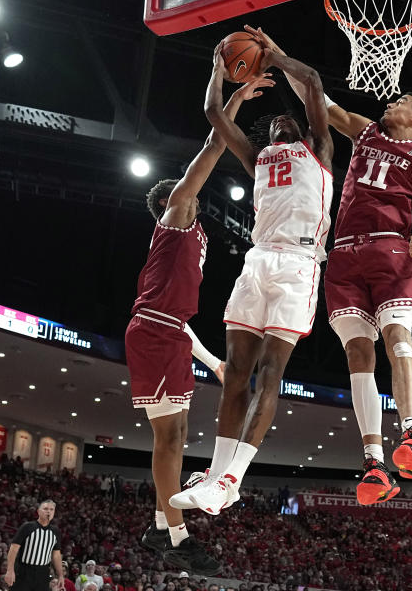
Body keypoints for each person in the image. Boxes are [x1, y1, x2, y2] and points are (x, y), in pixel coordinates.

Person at [242, 25, 412, 502]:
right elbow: (320, 100)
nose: (390, 101)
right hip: (344, 253)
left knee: (397, 339)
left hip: (390, 249)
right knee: (357, 355)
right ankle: (374, 463)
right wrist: (279, 55)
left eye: (400, 101)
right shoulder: (367, 132)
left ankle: (411, 435)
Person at [174, 37, 333, 516]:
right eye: (276, 123)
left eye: (290, 121)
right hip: (258, 260)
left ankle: (231, 477)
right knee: (235, 374)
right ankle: (216, 479)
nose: (283, 123)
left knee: (270, 375)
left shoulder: (320, 150)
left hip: (299, 265)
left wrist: (271, 54)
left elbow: (314, 82)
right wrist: (220, 69)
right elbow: (213, 114)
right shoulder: (256, 157)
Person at [128, 60, 273, 576]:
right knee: (169, 440)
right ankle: (175, 535)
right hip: (153, 332)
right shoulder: (174, 218)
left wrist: (210, 358)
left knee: (179, 435)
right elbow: (212, 148)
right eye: (183, 193)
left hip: (171, 332)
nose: (192, 198)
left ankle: (159, 524)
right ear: (168, 203)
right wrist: (231, 100)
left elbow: (183, 318)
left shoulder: (194, 237)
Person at [4, 501, 64, 591]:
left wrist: (60, 575)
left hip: (43, 573)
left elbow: (56, 555)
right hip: (24, 571)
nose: (49, 511)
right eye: (45, 509)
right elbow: (13, 549)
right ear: (38, 511)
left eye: (52, 509)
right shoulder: (27, 527)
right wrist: (9, 570)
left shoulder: (56, 531)